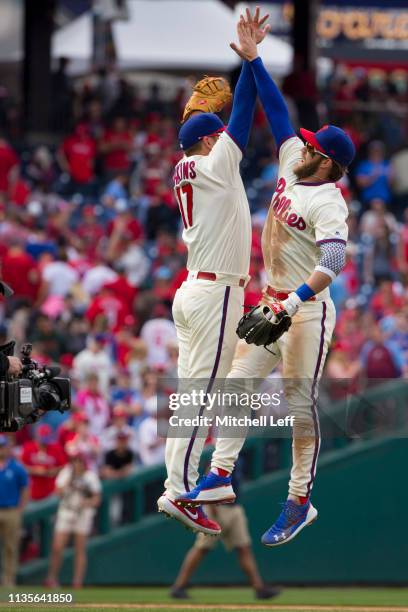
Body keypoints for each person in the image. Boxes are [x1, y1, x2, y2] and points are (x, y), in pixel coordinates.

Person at [176, 17, 356, 547]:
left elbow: (336, 261)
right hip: (271, 303)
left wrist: (294, 301)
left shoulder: (328, 199)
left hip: (305, 309)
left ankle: (299, 501)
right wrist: (252, 59)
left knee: (299, 405)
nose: (300, 145)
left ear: (326, 161)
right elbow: (277, 111)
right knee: (237, 384)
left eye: (311, 146)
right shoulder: (292, 162)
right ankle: (219, 474)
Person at [157, 8, 271, 535]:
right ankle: (179, 491)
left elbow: (224, 128)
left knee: (201, 393)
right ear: (207, 140)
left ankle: (197, 479)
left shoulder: (189, 164)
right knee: (202, 395)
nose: (227, 137)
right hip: (215, 293)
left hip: (194, 289)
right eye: (217, 134)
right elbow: (243, 118)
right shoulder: (212, 162)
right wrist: (250, 63)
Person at [170, 469, 280, 601]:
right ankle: (179, 586)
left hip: (235, 508)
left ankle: (259, 588)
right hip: (217, 509)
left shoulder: (237, 456)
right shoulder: (222, 453)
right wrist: (211, 506)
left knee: (244, 548)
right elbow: (208, 478)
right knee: (202, 547)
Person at [45, 451, 101, 588]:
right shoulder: (66, 473)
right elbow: (57, 492)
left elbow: (97, 499)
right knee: (57, 547)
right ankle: (51, 579)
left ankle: (77, 582)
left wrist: (86, 503)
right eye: (75, 461)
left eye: (79, 461)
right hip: (66, 511)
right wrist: (69, 481)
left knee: (80, 549)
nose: (77, 464)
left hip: (83, 514)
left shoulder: (90, 476)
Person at [0, 435, 29, 586]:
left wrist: (20, 508)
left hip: (11, 510)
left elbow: (25, 488)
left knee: (10, 547)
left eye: (2, 446)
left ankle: (8, 581)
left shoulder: (16, 467)